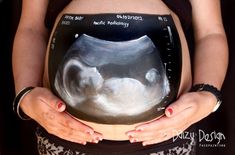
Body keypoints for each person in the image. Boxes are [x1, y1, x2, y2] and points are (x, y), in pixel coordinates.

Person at [12, 0, 228, 154]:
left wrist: (208, 97)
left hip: (167, 139)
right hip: (63, 137)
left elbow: (211, 32)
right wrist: (25, 95)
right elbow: (31, 28)